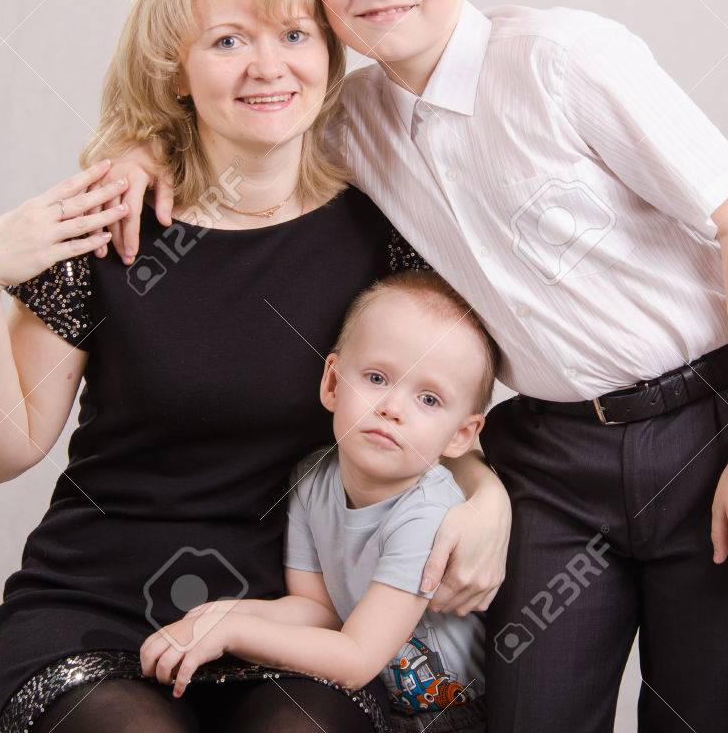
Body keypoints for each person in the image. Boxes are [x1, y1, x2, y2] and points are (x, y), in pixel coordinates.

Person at [97, 0, 728, 732]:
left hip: (709, 423)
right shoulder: (350, 119)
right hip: (550, 455)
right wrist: (135, 146)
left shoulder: (562, 60)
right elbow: (231, 114)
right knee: (521, 713)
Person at [0, 0, 511, 733]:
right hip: (96, 614)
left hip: (297, 625)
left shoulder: (383, 235)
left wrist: (486, 497)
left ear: (328, 52)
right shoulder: (111, 223)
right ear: (175, 69)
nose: (267, 67)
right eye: (228, 40)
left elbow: (432, 418)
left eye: (294, 34)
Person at [139, 270, 496, 733]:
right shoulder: (311, 480)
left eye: (428, 399)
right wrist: (216, 615)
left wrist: (231, 632)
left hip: (447, 714)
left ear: (461, 435)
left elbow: (356, 658)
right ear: (332, 383)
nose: (392, 407)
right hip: (375, 702)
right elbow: (318, 613)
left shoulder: (427, 514)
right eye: (376, 377)